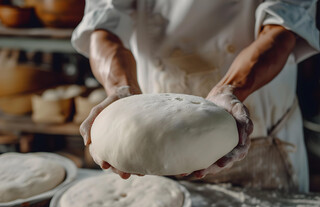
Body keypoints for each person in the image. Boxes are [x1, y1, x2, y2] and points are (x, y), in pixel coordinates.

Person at [72, 0, 319, 192]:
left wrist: (230, 89)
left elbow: (284, 25)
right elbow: (103, 26)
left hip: (261, 136)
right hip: (152, 142)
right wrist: (120, 89)